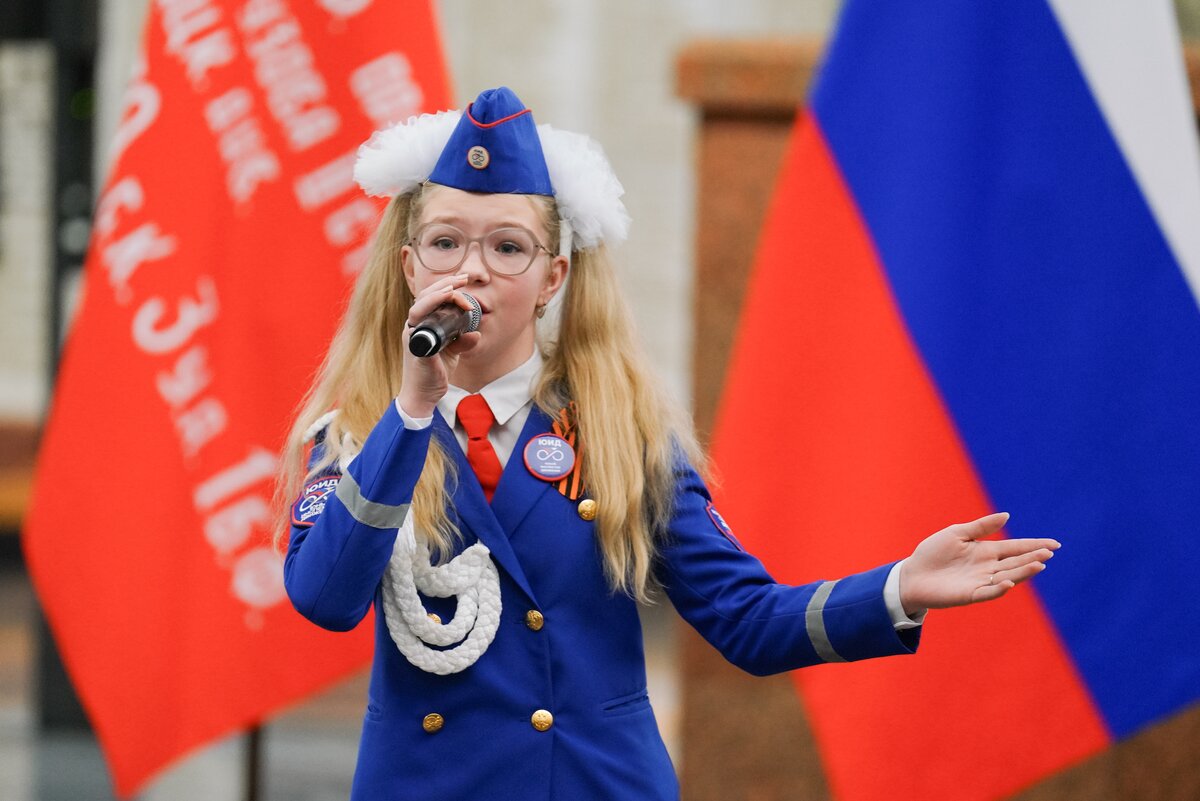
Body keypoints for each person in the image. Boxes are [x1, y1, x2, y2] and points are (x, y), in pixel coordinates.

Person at [276, 87, 1060, 800]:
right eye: (446, 243)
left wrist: (898, 589)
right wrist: (414, 410)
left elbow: (747, 619)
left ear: (553, 278)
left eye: (508, 248)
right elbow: (323, 599)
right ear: (410, 266)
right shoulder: (357, 435)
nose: (471, 271)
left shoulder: (624, 434)